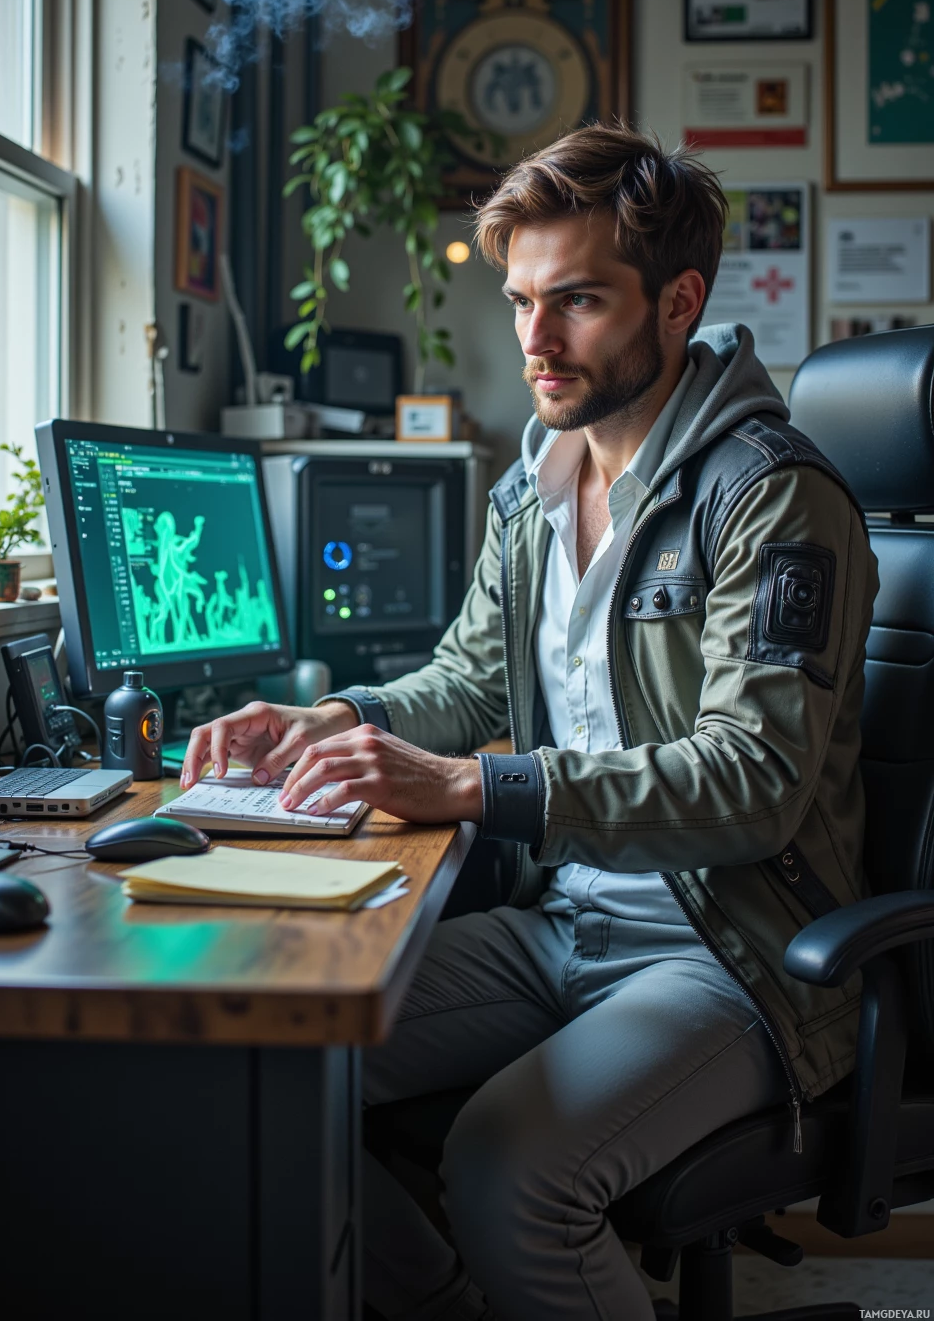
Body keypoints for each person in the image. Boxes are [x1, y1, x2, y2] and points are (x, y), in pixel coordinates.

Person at [181, 123, 878, 1321]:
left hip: (727, 957)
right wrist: (328, 718)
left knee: (509, 1171)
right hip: (562, 925)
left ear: (678, 302)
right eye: (518, 301)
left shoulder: (771, 496)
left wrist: (472, 790)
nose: (534, 343)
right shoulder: (536, 478)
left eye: (578, 303)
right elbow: (471, 682)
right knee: (258, 1063)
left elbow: (752, 781)